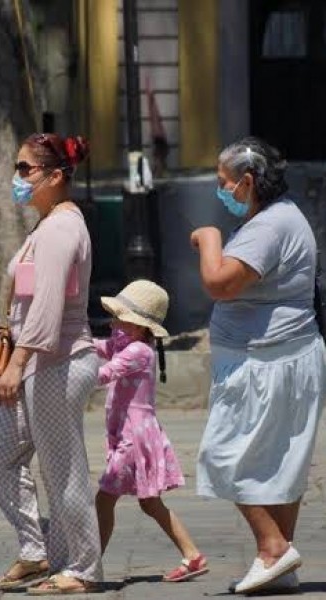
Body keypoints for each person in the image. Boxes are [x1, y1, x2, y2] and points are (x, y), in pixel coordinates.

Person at [192, 137, 326, 594]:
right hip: (283, 356)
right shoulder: (279, 218)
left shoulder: (269, 226)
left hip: (266, 364)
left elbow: (220, 282)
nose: (221, 190)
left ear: (247, 182)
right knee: (277, 465)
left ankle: (273, 547)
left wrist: (209, 239)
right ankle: (279, 563)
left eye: (223, 182)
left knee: (221, 456)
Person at [0, 133, 104, 595]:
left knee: (62, 467)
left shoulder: (61, 229)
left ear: (55, 176)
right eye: (17, 167)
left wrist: (18, 363)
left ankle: (83, 568)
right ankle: (37, 551)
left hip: (58, 361)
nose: (18, 177)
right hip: (37, 361)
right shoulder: (46, 225)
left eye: (25, 169)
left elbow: (48, 305)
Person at [93, 280, 208, 583]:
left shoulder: (138, 352)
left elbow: (104, 372)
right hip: (130, 434)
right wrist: (71, 342)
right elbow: (98, 347)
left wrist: (73, 374)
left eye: (122, 319)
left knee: (104, 499)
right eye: (115, 317)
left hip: (134, 437)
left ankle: (90, 566)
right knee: (150, 502)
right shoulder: (126, 344)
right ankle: (192, 555)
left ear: (141, 326)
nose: (115, 323)